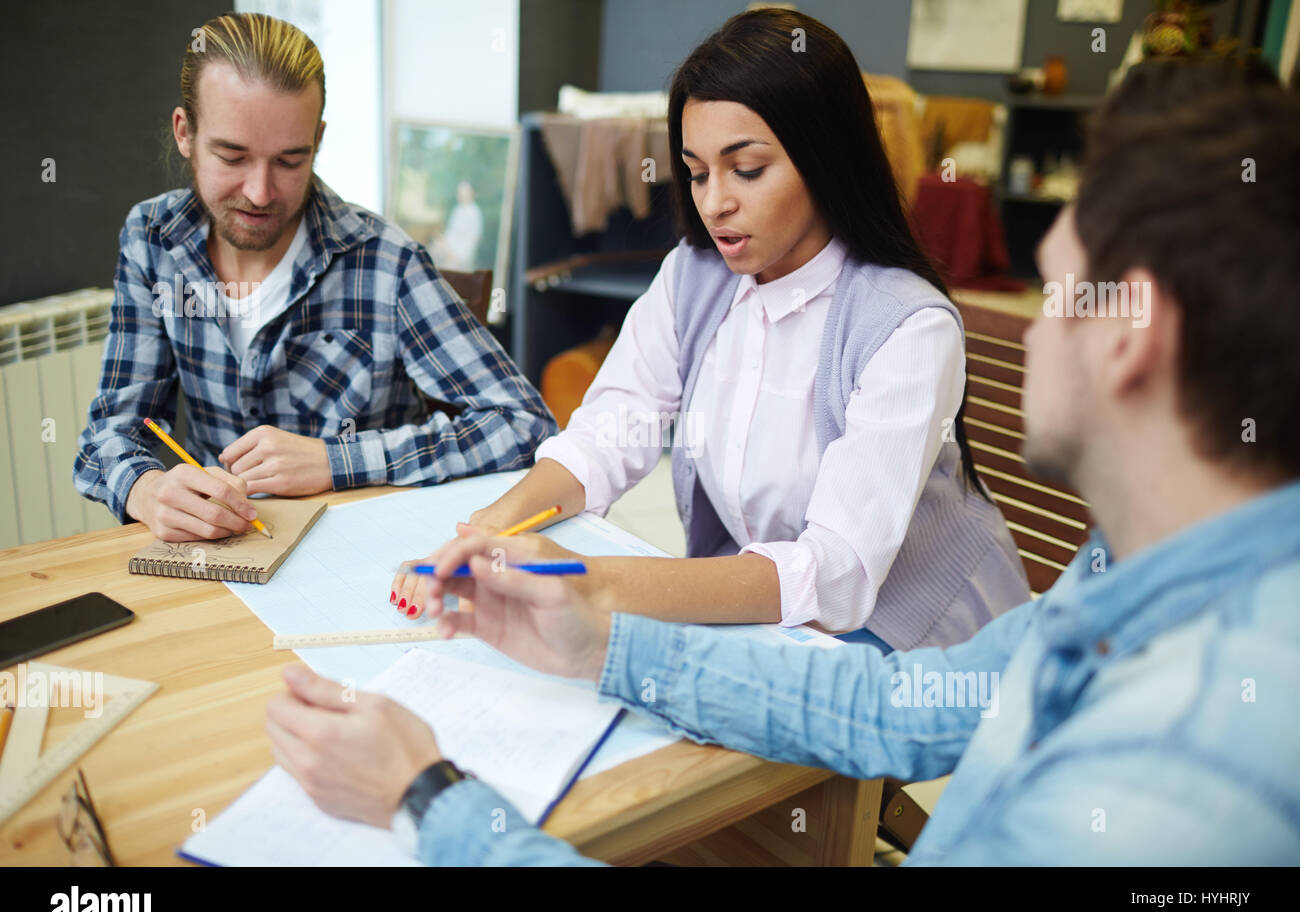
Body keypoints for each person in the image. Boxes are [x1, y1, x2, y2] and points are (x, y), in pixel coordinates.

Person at [267, 55, 1300, 865]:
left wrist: (429, 800)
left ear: (1128, 333)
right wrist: (594, 635)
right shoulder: (1116, 576)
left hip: (887, 619)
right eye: (698, 170)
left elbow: (845, 596)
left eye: (1055, 287)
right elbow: (894, 712)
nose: (1027, 329)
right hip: (837, 656)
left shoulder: (1184, 771)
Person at [390, 9, 1028, 652]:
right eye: (696, 172)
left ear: (825, 159)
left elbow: (836, 577)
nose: (714, 201)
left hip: (918, 637)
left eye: (746, 169)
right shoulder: (695, 277)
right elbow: (610, 433)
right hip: (780, 615)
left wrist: (594, 584)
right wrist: (489, 528)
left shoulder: (906, 327)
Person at [74, 13, 555, 542]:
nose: (259, 192)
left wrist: (337, 460)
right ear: (185, 133)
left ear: (318, 140)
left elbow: (524, 424)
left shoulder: (383, 260)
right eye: (232, 156)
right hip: (223, 556)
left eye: (289, 161)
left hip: (366, 550)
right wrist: (145, 488)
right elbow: (112, 432)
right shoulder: (152, 236)